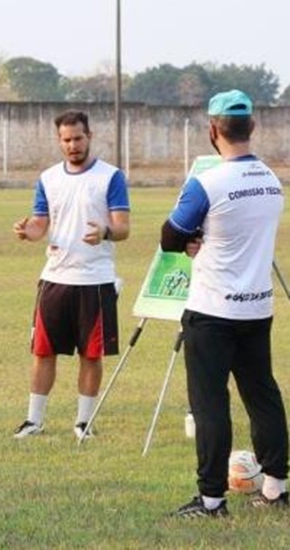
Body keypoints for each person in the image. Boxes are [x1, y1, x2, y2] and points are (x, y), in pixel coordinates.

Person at [161, 89, 289, 518]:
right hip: (257, 307)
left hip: (212, 311)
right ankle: (276, 487)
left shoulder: (207, 183)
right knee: (262, 394)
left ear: (212, 130)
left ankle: (212, 500)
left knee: (210, 403)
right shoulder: (272, 181)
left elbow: (170, 236)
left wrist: (193, 238)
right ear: (252, 126)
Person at [12, 109, 130, 440]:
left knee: (91, 354)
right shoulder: (48, 178)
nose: (73, 145)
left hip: (95, 280)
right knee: (43, 351)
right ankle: (34, 420)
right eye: (66, 140)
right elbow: (40, 224)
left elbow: (123, 228)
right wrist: (27, 231)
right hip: (55, 279)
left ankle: (83, 422)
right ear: (59, 141)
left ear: (89, 136)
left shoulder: (111, 177)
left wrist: (105, 232)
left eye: (78, 138)